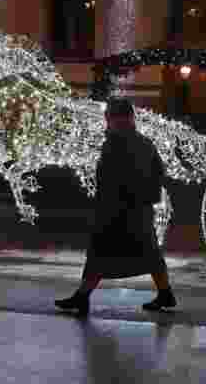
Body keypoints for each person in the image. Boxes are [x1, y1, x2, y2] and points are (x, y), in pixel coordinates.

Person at [55, 98, 176, 316]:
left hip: (116, 210)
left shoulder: (115, 142)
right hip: (139, 210)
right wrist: (148, 198)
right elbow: (159, 172)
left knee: (100, 254)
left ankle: (82, 297)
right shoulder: (144, 142)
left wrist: (105, 204)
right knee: (149, 254)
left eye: (109, 117)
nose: (107, 121)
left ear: (112, 118)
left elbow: (108, 178)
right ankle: (165, 293)